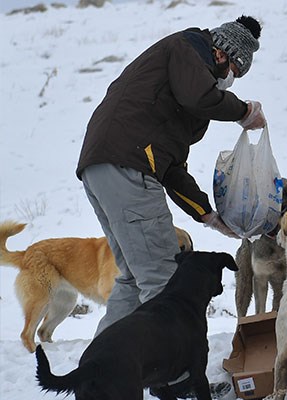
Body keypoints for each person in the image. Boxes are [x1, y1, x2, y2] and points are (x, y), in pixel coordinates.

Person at [75, 15, 265, 399]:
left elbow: (173, 165)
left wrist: (206, 215)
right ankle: (175, 384)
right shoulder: (187, 50)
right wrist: (244, 111)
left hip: (103, 167)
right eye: (235, 73)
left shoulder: (183, 81)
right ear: (223, 54)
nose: (229, 83)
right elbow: (201, 97)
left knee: (132, 276)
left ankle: (96, 376)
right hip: (127, 166)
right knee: (163, 280)